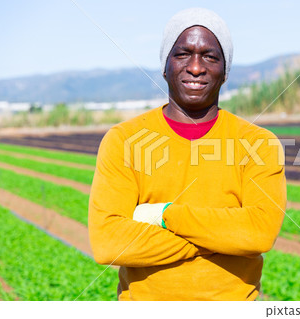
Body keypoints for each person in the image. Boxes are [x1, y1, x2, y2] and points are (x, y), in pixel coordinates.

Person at [88, 7, 286, 301]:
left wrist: (163, 215)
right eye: (183, 54)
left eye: (210, 56)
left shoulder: (258, 144)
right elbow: (108, 242)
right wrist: (220, 236)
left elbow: (258, 233)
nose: (196, 67)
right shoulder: (124, 140)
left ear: (225, 70)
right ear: (165, 66)